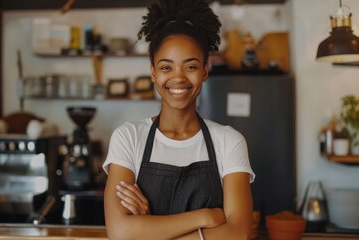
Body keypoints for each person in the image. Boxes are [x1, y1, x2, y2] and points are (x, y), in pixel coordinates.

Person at [103, 0, 255, 239]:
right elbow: (120, 232)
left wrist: (150, 228)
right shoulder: (129, 137)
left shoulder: (229, 141)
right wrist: (204, 217)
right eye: (166, 68)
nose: (178, 78)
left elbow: (239, 233)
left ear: (205, 71)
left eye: (190, 66)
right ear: (153, 72)